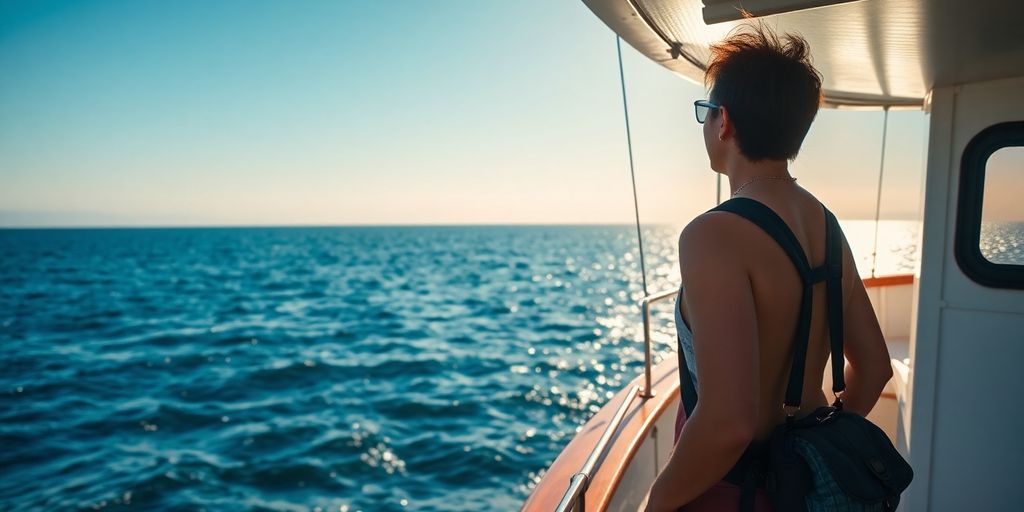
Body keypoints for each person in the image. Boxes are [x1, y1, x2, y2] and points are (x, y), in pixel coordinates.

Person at [643, 23, 894, 512]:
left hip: (729, 492)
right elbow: (875, 368)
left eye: (705, 112)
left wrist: (655, 503)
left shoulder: (712, 234)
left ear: (724, 122)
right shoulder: (828, 225)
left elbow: (729, 423)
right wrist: (809, 453)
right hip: (803, 486)